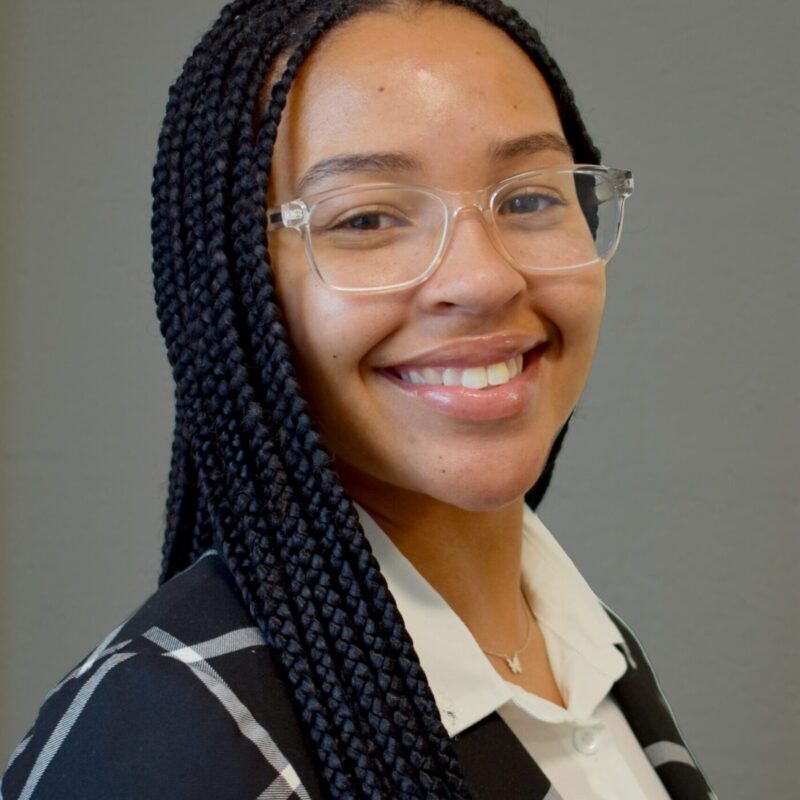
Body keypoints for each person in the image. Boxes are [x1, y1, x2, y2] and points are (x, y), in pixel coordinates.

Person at [2, 0, 717, 798]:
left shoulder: (588, 649)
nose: (482, 279)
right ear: (235, 287)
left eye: (527, 199)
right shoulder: (155, 746)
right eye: (367, 217)